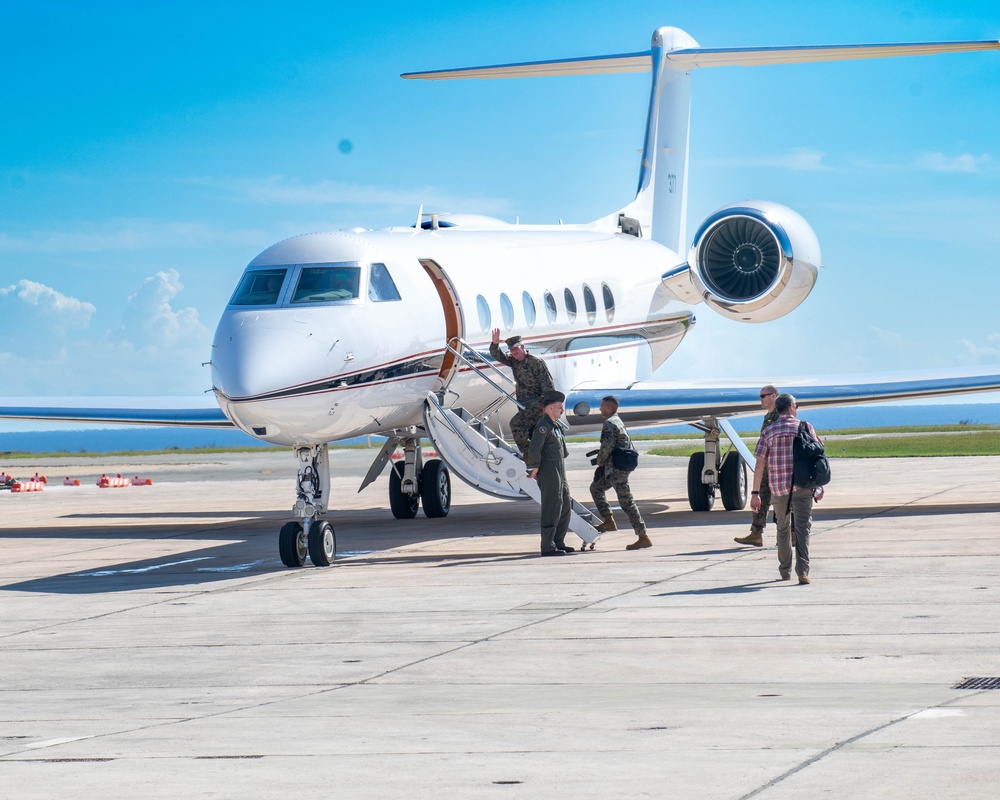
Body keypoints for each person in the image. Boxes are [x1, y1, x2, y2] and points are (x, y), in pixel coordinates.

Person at [749, 393, 824, 584]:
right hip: (803, 486)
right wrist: (819, 485)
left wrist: (755, 493)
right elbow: (816, 457)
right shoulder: (806, 427)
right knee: (802, 528)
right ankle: (803, 571)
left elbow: (759, 464)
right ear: (791, 407)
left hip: (778, 488)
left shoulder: (769, 431)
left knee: (782, 528)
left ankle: (784, 571)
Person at [589, 395, 650, 550]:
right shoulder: (618, 420)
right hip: (617, 466)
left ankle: (643, 536)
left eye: (602, 406)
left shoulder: (609, 423)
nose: (600, 409)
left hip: (616, 468)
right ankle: (609, 520)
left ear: (608, 408)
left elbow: (607, 446)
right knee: (596, 488)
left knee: (626, 502)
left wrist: (600, 461)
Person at [489, 329, 556, 455]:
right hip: (524, 405)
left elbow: (548, 385)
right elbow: (498, 355)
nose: (514, 352)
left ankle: (529, 454)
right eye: (511, 350)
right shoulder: (514, 362)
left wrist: (549, 407)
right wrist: (495, 344)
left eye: (516, 349)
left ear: (523, 346)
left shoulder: (535, 362)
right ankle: (536, 454)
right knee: (531, 432)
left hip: (537, 405)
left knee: (516, 425)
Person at [526, 391, 574, 556]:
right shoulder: (543, 426)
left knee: (565, 505)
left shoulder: (556, 426)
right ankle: (547, 546)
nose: (562, 410)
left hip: (560, 469)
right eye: (560, 407)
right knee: (551, 507)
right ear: (551, 408)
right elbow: (534, 448)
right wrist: (535, 467)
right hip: (549, 470)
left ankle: (558, 541)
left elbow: (563, 452)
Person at [735, 384, 779, 547]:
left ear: (773, 396)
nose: (760, 400)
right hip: (766, 469)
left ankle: (791, 534)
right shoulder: (768, 416)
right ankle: (756, 533)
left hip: (778, 468)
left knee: (783, 502)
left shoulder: (779, 416)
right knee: (761, 499)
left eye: (763, 396)